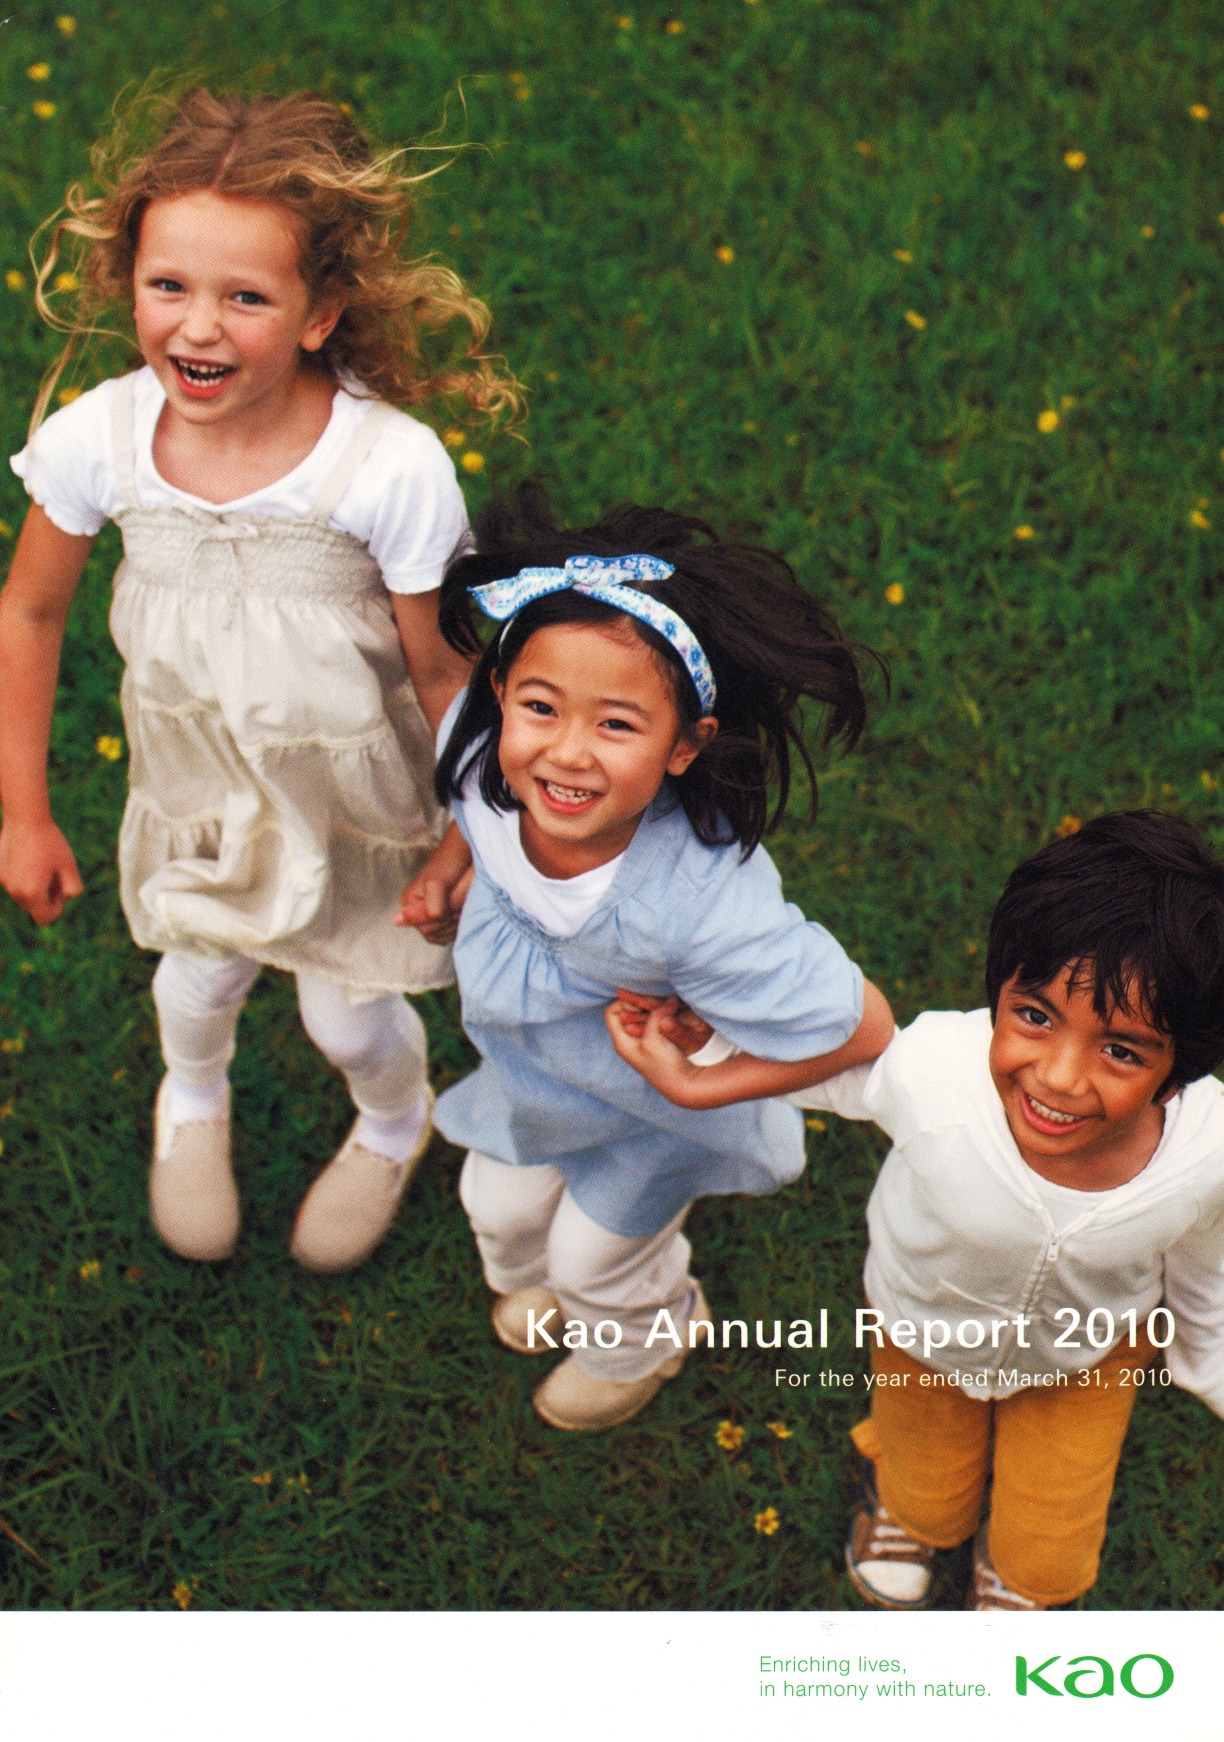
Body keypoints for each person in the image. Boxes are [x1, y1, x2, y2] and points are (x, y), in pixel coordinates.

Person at [0, 88, 521, 1272]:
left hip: (355, 799)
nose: (199, 325)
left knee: (347, 1012)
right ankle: (192, 1100)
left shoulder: (386, 468)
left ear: (321, 313)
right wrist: (24, 813)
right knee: (196, 982)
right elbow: (27, 612)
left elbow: (445, 671)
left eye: (247, 296)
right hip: (200, 784)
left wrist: (470, 834)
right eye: (168, 285)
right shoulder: (102, 440)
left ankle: (393, 1118)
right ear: (129, 280)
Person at [610, 812, 1224, 1609]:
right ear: (1000, 992)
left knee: (1047, 1552)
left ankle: (1014, 1573)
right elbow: (837, 1074)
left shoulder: (1206, 1154)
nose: (1058, 1077)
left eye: (1121, 1049)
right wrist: (708, 1046)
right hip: (924, 1330)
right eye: (1035, 1016)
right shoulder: (937, 1070)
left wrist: (1208, 1359)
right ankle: (900, 1498)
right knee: (926, 1492)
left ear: (1180, 1072)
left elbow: (1207, 1259)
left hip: (1085, 1357)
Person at [399, 487, 895, 1431]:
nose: (567, 754)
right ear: (501, 695)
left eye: (617, 725)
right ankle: (553, 1288)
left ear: (684, 746)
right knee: (496, 1206)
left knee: (593, 1257)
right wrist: (452, 865)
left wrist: (697, 1087)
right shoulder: (484, 757)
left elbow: (864, 1026)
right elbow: (476, 811)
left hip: (648, 1113)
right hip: (533, 1074)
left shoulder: (698, 911)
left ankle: (641, 1338)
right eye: (541, 706)